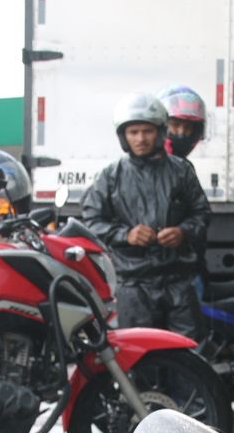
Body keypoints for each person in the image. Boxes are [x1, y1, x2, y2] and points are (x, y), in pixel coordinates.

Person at [79, 93, 211, 339]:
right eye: (134, 132)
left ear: (160, 132)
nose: (141, 139)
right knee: (139, 362)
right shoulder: (111, 176)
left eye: (147, 131)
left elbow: (201, 213)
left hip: (179, 282)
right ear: (124, 136)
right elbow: (92, 219)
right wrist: (125, 235)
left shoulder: (181, 171)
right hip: (134, 286)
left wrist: (183, 231)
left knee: (189, 357)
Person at [157, 83, 208, 160]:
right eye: (175, 125)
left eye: (187, 127)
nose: (181, 132)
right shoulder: (147, 163)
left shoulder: (184, 167)